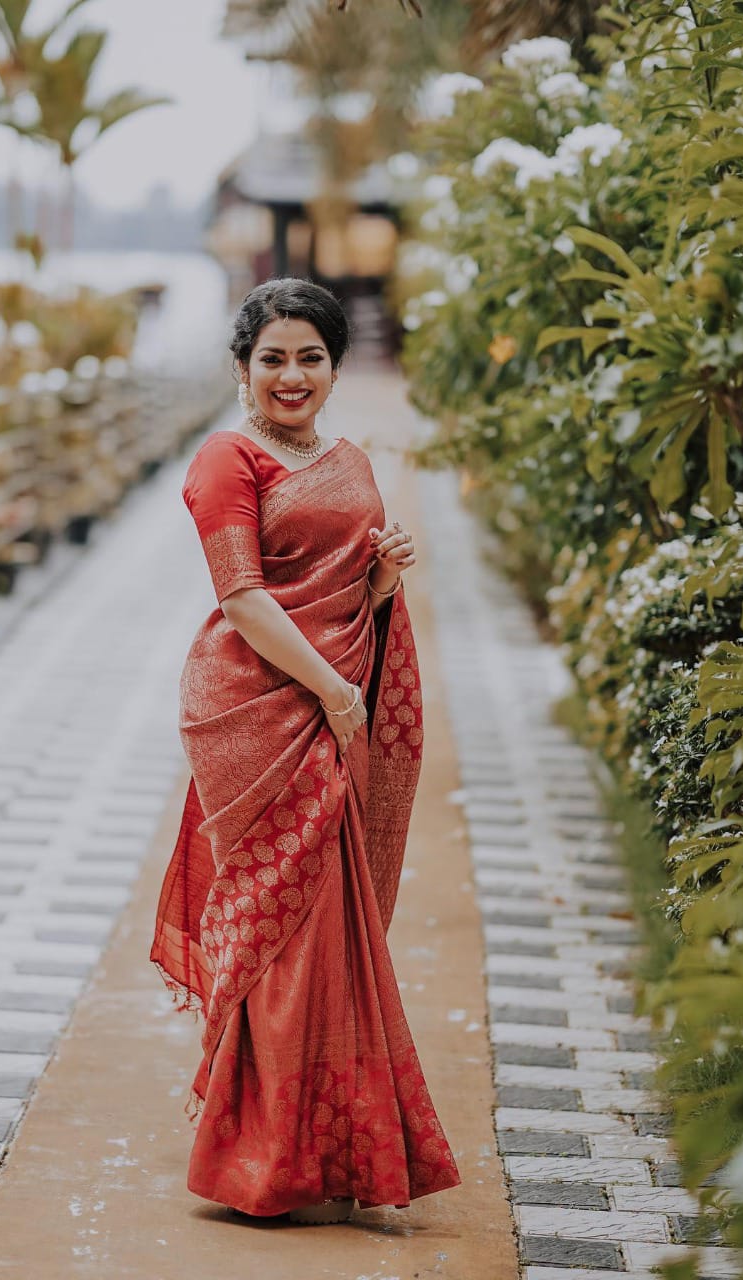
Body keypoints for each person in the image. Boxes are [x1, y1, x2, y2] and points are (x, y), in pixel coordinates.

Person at [150, 277, 461, 1225]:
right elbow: (245, 600)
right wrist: (330, 692)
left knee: (331, 928)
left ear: (334, 365)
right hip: (256, 710)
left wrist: (378, 576)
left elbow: (347, 597)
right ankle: (265, 1158)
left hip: (334, 702)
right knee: (279, 930)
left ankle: (329, 1146)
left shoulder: (349, 458)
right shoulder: (226, 459)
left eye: (311, 357)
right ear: (242, 369)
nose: (293, 375)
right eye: (273, 358)